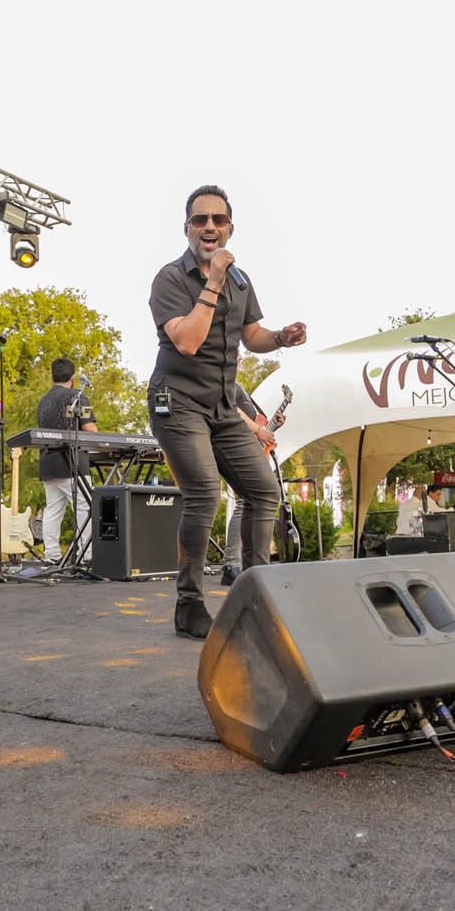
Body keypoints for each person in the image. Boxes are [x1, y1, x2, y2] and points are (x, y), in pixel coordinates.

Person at [147, 184, 306, 638]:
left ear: (230, 228)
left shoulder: (241, 281)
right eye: (201, 219)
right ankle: (189, 604)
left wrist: (280, 337)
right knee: (204, 493)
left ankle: (258, 598)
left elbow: (251, 335)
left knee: (264, 491)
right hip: (177, 401)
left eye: (218, 220)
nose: (210, 226)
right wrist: (213, 281)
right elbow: (187, 341)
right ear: (187, 228)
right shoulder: (170, 279)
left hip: (222, 405)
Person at [35, 357, 97, 566]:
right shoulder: (77, 396)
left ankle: (51, 555)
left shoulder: (43, 401)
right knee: (85, 507)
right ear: (73, 377)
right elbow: (90, 430)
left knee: (52, 510)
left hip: (48, 462)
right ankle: (86, 555)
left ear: (53, 376)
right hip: (72, 462)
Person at [222, 380, 285, 584]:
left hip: (248, 445)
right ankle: (232, 563)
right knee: (246, 501)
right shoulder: (227, 383)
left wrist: (271, 426)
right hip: (236, 446)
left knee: (251, 501)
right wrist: (258, 430)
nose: (238, 362)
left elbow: (250, 421)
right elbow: (231, 409)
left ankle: (248, 568)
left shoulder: (239, 386)